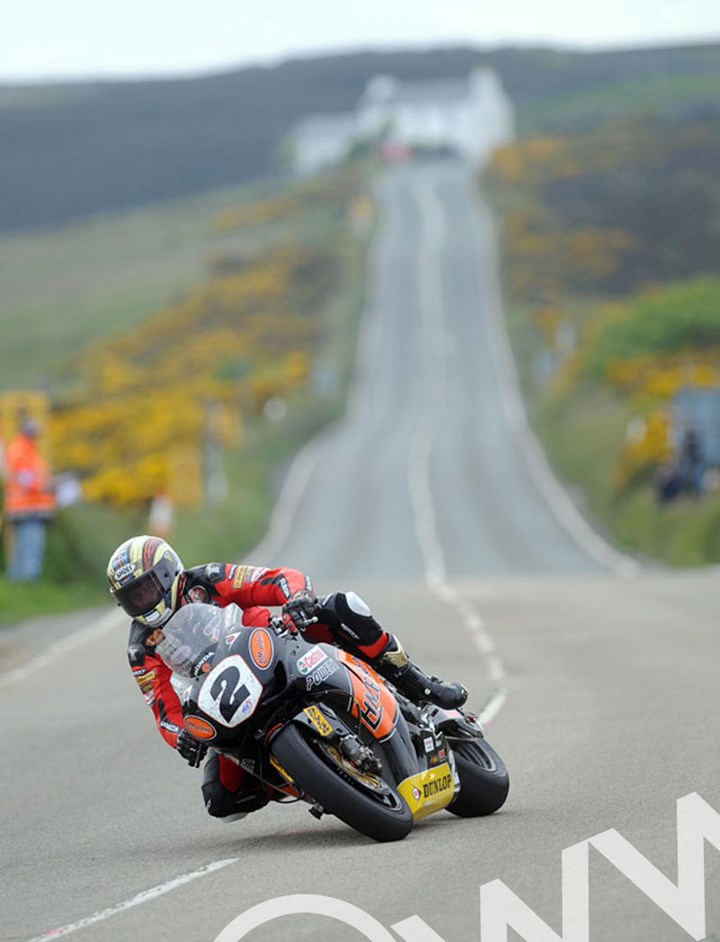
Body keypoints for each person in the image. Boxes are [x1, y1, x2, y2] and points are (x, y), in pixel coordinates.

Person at [107, 535, 467, 822]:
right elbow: (163, 710)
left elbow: (275, 579)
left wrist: (296, 599)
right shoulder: (141, 647)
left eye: (145, 589)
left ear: (168, 573)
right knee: (221, 800)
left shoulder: (209, 579)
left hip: (277, 644)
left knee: (343, 607)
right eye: (131, 597)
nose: (141, 601)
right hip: (229, 699)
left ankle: (419, 685)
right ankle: (310, 778)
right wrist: (182, 736)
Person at [4, 418, 56, 582]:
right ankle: (29, 581)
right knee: (31, 546)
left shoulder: (26, 449)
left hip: (26, 507)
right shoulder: (21, 450)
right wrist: (44, 487)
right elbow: (25, 479)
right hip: (27, 508)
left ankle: (21, 581)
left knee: (22, 547)